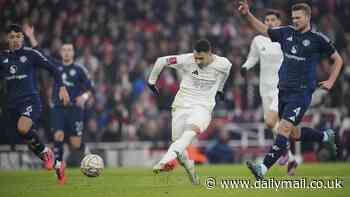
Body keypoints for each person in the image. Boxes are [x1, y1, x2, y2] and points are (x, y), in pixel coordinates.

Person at [237, 1, 343, 180]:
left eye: (298, 18)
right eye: (293, 17)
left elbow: (337, 59)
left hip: (301, 93)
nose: (294, 20)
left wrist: (331, 81)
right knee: (293, 132)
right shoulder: (286, 33)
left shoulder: (318, 39)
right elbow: (263, 29)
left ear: (308, 17)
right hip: (283, 91)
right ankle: (325, 136)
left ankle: (262, 168)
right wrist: (247, 14)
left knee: (283, 129)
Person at [148, 39, 232, 185]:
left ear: (209, 53)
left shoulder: (224, 64)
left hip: (203, 107)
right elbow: (161, 61)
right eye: (196, 57)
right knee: (179, 146)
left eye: (201, 58)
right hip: (181, 105)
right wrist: (151, 81)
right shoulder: (186, 60)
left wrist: (220, 89)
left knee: (189, 134)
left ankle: (164, 161)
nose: (198, 61)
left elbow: (225, 74)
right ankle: (192, 172)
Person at [24, 24, 94, 184]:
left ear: (73, 52)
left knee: (76, 143)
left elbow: (90, 88)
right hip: (58, 108)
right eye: (65, 50)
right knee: (58, 136)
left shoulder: (80, 69)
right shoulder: (55, 65)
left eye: (70, 50)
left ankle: (87, 153)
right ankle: (59, 169)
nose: (67, 52)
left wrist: (84, 97)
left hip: (75, 109)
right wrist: (31, 36)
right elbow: (39, 54)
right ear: (61, 52)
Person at [0, 24, 70, 173]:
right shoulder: (2, 57)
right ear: (7, 39)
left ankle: (47, 153)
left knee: (23, 128)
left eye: (18, 36)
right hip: (12, 106)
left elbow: (53, 68)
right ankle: (58, 165)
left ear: (22, 38)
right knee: (29, 140)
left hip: (30, 101)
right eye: (12, 37)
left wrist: (62, 87)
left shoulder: (31, 54)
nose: (15, 40)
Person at [241, 10, 298, 175]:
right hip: (264, 89)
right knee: (273, 126)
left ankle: (285, 152)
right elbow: (252, 58)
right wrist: (245, 67)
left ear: (279, 22)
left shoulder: (285, 38)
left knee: (270, 121)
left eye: (273, 20)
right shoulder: (258, 40)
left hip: (280, 88)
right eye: (267, 20)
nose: (270, 22)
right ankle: (291, 158)